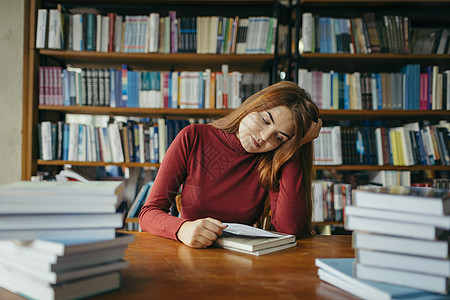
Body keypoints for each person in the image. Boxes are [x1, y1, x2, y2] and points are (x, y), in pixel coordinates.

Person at [139, 81, 322, 249]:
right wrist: (182, 229)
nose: (264, 137)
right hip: (190, 253)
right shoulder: (194, 137)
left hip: (242, 263)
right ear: (253, 106)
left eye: (278, 137)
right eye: (265, 120)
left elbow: (290, 228)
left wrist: (293, 148)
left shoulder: (271, 160)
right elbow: (148, 214)